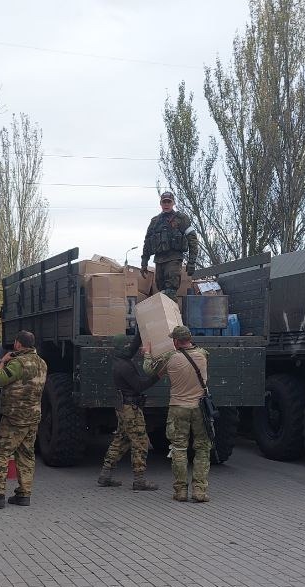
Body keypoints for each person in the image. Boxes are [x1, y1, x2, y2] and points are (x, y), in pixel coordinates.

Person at [144, 326, 212, 503]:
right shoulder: (203, 354)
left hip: (178, 408)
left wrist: (147, 353)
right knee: (203, 449)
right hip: (200, 408)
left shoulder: (170, 357)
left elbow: (149, 370)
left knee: (179, 449)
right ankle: (200, 491)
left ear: (175, 341)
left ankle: (181, 491)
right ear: (189, 339)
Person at [0, 331, 47, 508]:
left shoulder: (17, 363)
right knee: (27, 455)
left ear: (18, 344)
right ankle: (24, 494)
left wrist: (2, 361)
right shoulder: (42, 363)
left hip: (14, 418)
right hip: (33, 416)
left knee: (1, 454)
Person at [97, 334, 160, 491]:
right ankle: (139, 480)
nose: (130, 348)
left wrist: (141, 331)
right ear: (122, 347)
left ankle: (105, 475)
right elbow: (139, 386)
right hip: (131, 409)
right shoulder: (124, 366)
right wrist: (158, 376)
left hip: (124, 408)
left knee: (121, 440)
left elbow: (131, 348)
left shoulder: (120, 358)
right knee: (140, 442)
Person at [140, 191, 199, 300]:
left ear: (173, 203)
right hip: (159, 260)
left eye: (169, 202)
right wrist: (144, 262)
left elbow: (192, 240)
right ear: (161, 203)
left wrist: (192, 262)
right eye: (164, 202)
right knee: (161, 292)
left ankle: (172, 316)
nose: (166, 204)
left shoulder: (181, 219)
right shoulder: (155, 221)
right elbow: (147, 242)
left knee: (170, 292)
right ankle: (164, 315)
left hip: (174, 259)